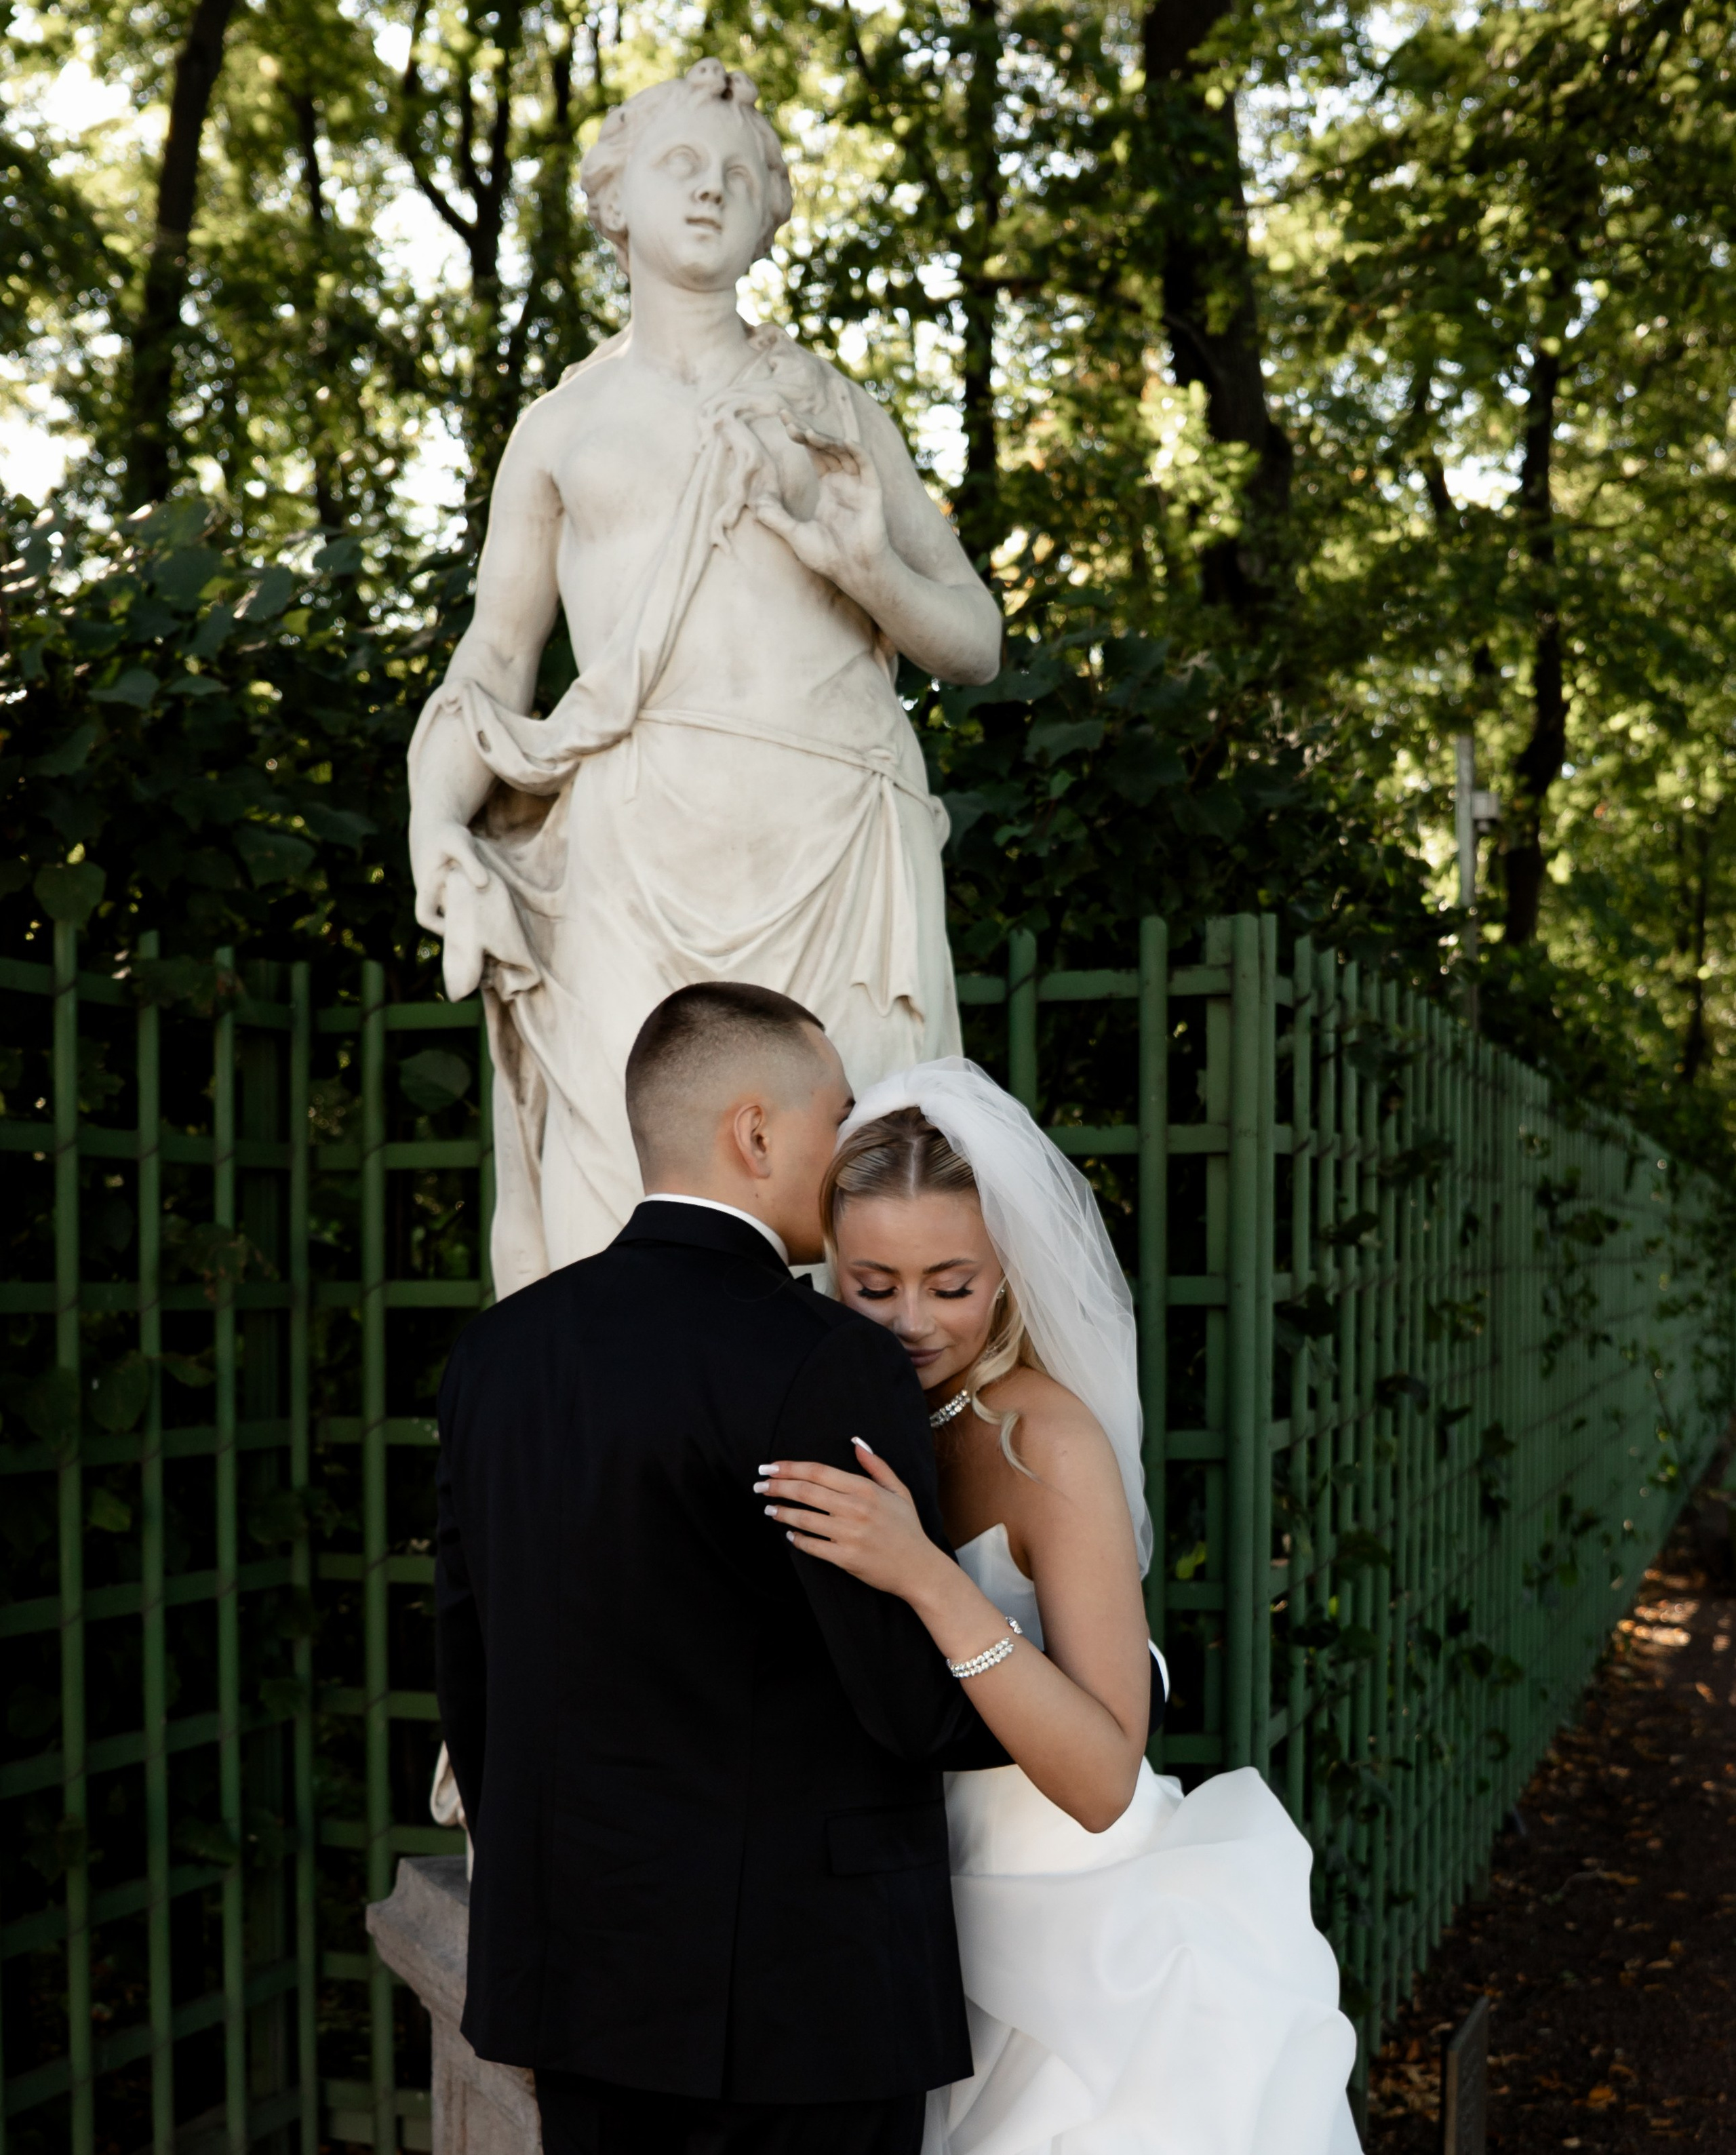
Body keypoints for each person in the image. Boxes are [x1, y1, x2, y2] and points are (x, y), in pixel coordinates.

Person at [406, 59, 1000, 1293]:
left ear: (770, 209)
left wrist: (870, 572)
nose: (711, 188)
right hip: (636, 850)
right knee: (616, 1210)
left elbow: (973, 638)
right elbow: (498, 659)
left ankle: (842, 1429)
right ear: (614, 200)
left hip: (835, 834)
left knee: (855, 1208)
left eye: (739, 172)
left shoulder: (833, 409)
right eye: (680, 164)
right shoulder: (562, 426)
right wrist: (435, 818)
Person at [434, 985, 1016, 2155]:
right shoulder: (829, 1360)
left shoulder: (497, 1353)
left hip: (577, 1981)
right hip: (802, 2003)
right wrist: (1110, 1685)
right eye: (837, 1115)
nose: (848, 1144)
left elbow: (473, 1675)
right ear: (756, 1132)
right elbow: (910, 1706)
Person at [757, 1059, 1365, 2155]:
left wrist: (926, 1573)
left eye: (952, 1284)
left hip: (1084, 1937)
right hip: (915, 1922)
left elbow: (1100, 1778)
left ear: (1009, 1271)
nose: (911, 1321)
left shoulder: (1050, 1442)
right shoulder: (829, 1412)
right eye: (873, 1285)